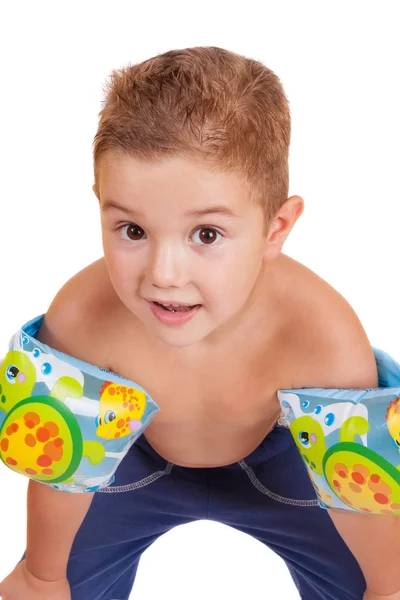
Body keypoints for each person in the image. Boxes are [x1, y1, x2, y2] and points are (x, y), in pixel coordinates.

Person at [0, 46, 397, 600]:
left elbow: (365, 493)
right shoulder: (83, 318)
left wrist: (386, 589)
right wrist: (43, 577)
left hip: (290, 465)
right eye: (132, 230)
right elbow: (60, 471)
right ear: (100, 206)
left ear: (276, 227)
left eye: (206, 235)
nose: (163, 275)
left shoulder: (321, 337)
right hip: (125, 459)